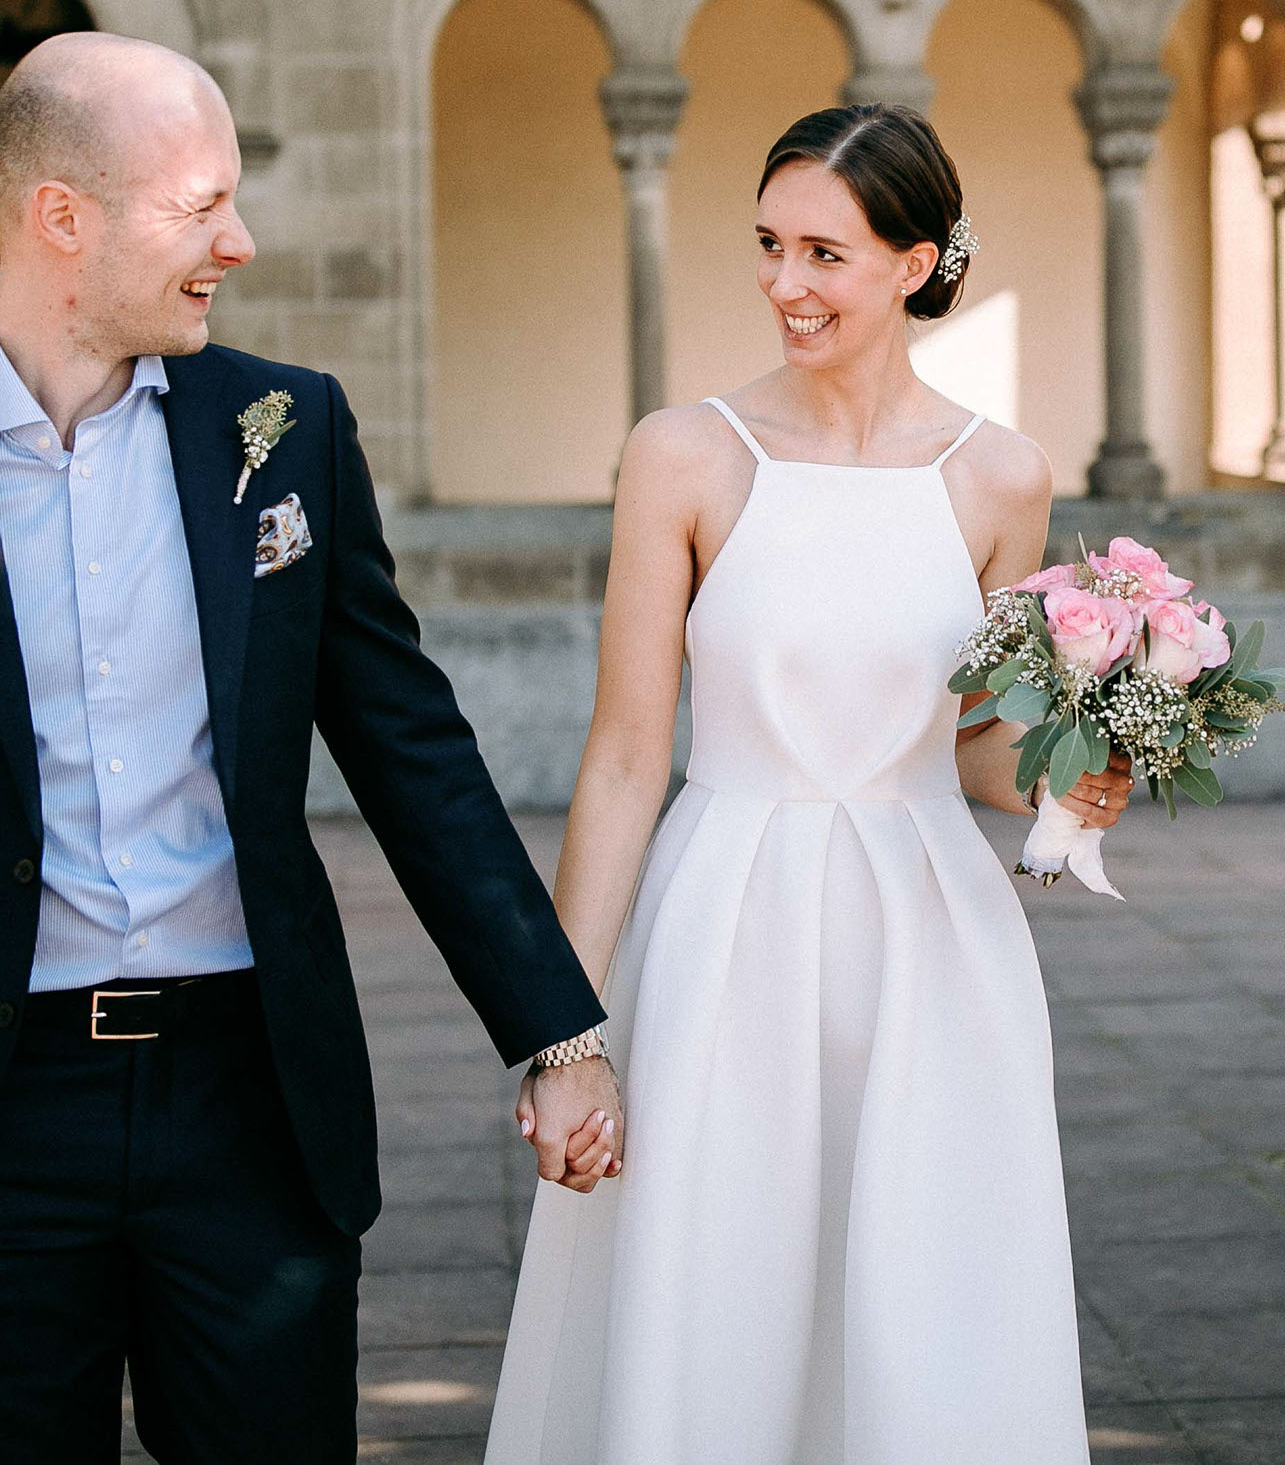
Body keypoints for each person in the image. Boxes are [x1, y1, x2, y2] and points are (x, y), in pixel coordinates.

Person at [0, 32, 623, 1464]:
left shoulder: (286, 429)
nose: (237, 242)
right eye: (200, 207)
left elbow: (412, 747)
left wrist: (557, 1027)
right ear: (63, 216)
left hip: (248, 1099)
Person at [485, 104, 1133, 1464]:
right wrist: (564, 1034)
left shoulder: (1002, 475)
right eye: (771, 245)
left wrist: (1082, 774)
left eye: (825, 253)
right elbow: (621, 755)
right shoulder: (685, 453)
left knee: (928, 1312)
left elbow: (970, 742)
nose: (785, 283)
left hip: (931, 941)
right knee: (714, 1302)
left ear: (916, 263)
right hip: (726, 926)